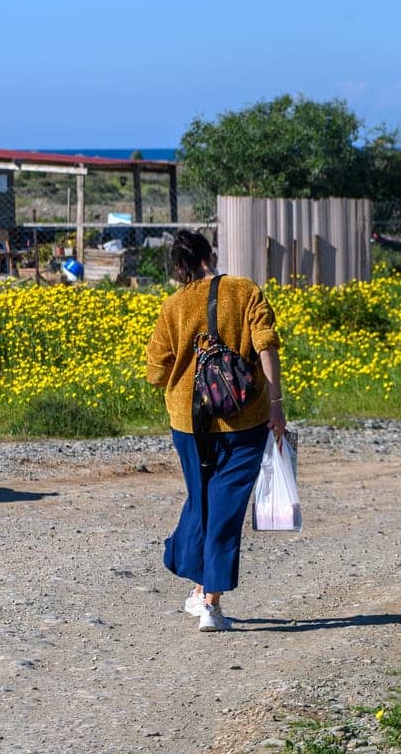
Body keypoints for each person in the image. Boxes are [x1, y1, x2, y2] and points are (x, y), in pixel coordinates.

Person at [145, 229, 286, 632]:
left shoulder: (172, 306)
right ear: (212, 255)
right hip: (245, 420)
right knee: (224, 506)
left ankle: (197, 584)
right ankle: (210, 603)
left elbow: (156, 372)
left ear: (178, 267)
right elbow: (267, 345)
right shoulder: (245, 291)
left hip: (189, 424)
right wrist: (276, 406)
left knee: (202, 499)